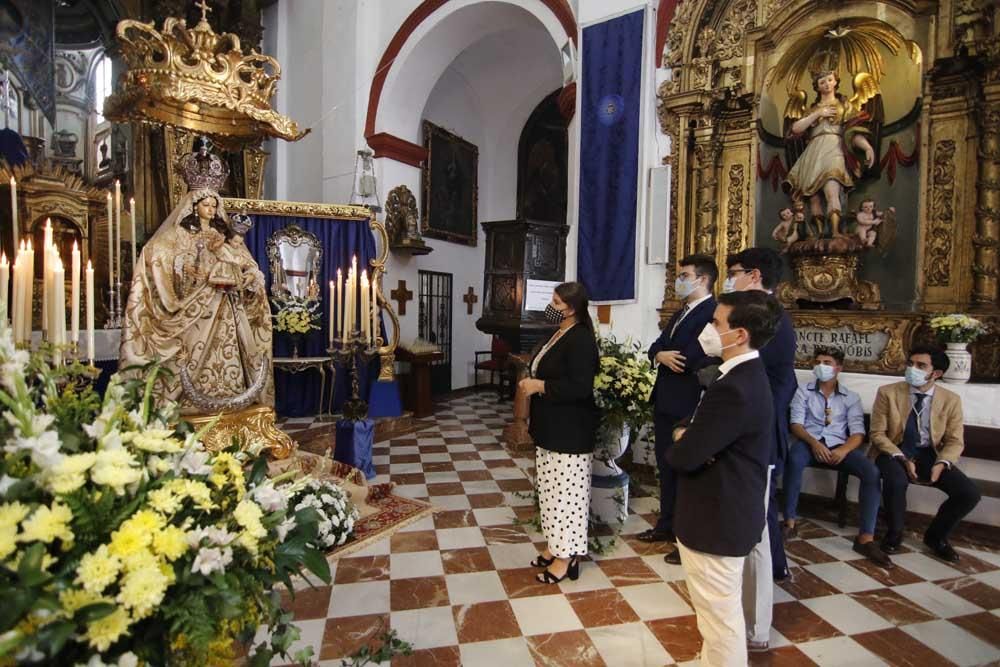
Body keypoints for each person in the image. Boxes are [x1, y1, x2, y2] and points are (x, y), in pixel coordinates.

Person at [666, 290, 780, 667]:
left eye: (716, 323)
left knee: (720, 618)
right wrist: (693, 436)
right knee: (715, 614)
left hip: (717, 516)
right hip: (723, 510)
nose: (709, 329)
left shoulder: (736, 386)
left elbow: (685, 455)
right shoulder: (738, 375)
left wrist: (688, 441)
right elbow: (696, 427)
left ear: (740, 334)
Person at [121, 140, 273, 412]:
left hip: (227, 304)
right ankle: (191, 400)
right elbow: (158, 254)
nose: (212, 210)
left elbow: (243, 263)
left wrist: (250, 277)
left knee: (231, 353)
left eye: (215, 205)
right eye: (206, 205)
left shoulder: (224, 237)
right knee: (193, 351)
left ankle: (233, 396)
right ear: (193, 206)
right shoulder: (178, 236)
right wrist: (188, 268)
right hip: (195, 309)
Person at [724, 246, 796, 652]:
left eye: (734, 273)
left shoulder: (771, 319)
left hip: (757, 437)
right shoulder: (759, 314)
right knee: (752, 525)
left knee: (758, 533)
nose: (730, 279)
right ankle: (747, 608)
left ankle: (757, 627)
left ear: (753, 275)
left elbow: (772, 385)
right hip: (747, 433)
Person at [519, 282, 599, 584]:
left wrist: (539, 386)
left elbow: (580, 387)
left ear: (571, 307)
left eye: (556, 301)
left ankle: (567, 558)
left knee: (568, 497)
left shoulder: (580, 339)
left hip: (570, 432)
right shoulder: (559, 332)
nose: (550, 305)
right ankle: (556, 547)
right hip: (551, 428)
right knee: (550, 494)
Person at [638, 254, 718, 556]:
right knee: (666, 465)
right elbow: (657, 345)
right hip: (665, 398)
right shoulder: (681, 311)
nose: (678, 280)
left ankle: (683, 535)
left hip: (688, 400)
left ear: (702, 279)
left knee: (685, 469)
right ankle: (665, 524)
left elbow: (692, 356)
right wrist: (659, 355)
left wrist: (666, 354)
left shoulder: (712, 311)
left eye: (683, 275)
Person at [871, 345, 981, 563]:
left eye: (921, 365)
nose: (913, 369)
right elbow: (877, 433)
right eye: (910, 363)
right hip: (894, 450)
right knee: (896, 481)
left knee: (969, 493)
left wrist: (942, 463)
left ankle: (936, 537)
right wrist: (901, 458)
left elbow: (955, 441)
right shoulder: (888, 392)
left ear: (936, 373)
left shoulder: (951, 400)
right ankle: (894, 533)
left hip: (929, 454)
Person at [783, 346, 892, 566]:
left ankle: (865, 538)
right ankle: (789, 522)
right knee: (794, 460)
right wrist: (814, 443)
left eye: (827, 363)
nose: (821, 366)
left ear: (838, 368)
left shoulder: (850, 397)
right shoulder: (803, 391)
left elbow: (858, 432)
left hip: (839, 446)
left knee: (871, 472)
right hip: (809, 442)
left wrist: (843, 450)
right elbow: (796, 423)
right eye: (818, 362)